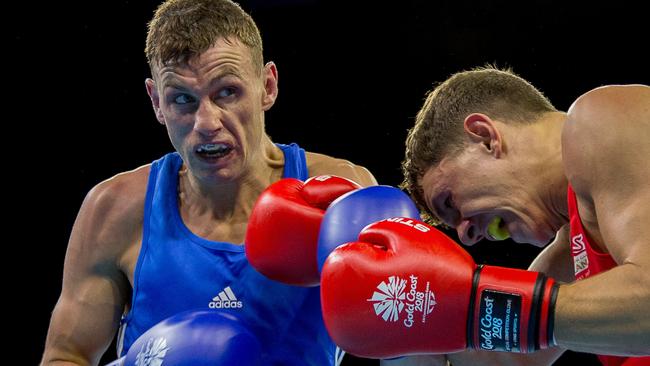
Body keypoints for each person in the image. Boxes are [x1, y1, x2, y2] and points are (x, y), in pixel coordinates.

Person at [40, 0, 375, 365]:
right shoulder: (116, 210)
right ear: (156, 102)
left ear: (268, 86)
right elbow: (65, 356)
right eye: (182, 99)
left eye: (227, 92)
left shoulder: (343, 194)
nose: (206, 122)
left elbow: (406, 344)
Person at [392, 66, 649, 365]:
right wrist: (403, 322)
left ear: (486, 137)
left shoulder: (603, 119)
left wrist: (485, 301)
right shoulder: (576, 242)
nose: (466, 236)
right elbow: (502, 359)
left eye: (449, 201)